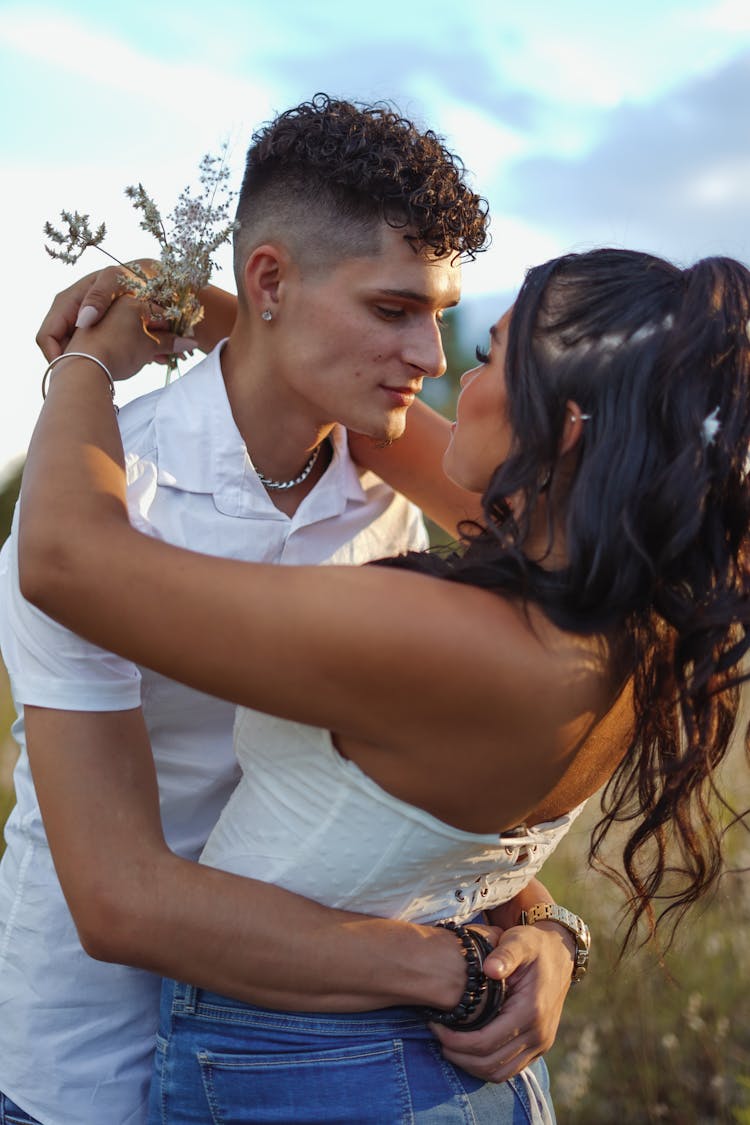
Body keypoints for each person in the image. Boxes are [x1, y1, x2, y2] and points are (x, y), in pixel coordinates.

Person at [17, 244, 750, 1123]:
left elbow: (66, 559)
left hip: (323, 1078)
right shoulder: (628, 613)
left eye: (485, 355)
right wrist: (221, 309)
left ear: (564, 428)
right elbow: (375, 425)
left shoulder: (449, 638)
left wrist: (83, 366)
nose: (439, 376)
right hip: (446, 1075)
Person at [0, 97, 579, 1125]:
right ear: (268, 281)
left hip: (319, 1043)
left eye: (439, 315)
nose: (432, 356)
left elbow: (405, 801)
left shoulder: (393, 503)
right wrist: (452, 968)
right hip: (86, 1058)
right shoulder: (102, 497)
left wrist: (542, 931)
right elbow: (116, 898)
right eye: (394, 309)